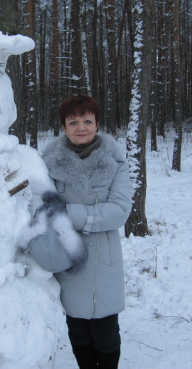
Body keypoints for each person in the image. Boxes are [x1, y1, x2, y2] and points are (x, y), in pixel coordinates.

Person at [27, 95, 132, 369]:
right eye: (73, 122)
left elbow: (120, 210)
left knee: (106, 333)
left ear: (97, 124)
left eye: (87, 121)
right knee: (78, 332)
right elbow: (38, 202)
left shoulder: (115, 161)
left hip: (103, 262)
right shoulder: (48, 163)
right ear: (63, 127)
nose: (81, 128)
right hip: (67, 256)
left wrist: (68, 213)